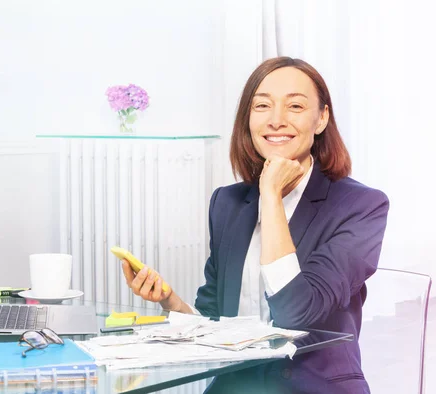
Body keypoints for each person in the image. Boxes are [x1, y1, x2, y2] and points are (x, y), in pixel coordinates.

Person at [121, 57, 388, 393]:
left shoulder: (360, 205)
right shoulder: (228, 203)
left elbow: (296, 313)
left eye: (294, 106)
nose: (276, 120)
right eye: (262, 105)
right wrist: (170, 300)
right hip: (237, 386)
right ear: (248, 118)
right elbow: (216, 324)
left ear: (321, 118)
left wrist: (271, 194)